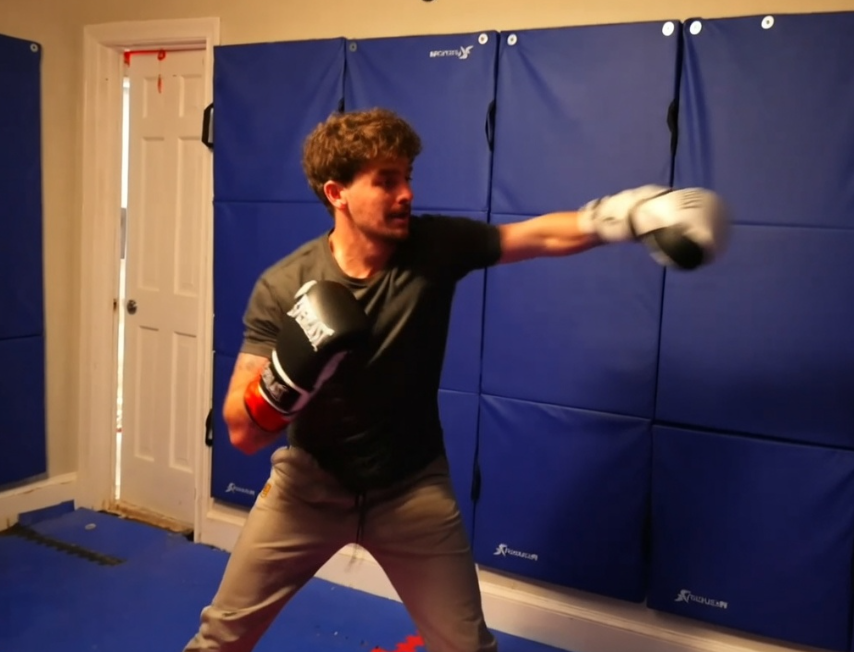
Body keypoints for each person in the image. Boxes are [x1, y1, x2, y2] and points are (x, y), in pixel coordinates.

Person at [182, 107, 729, 652]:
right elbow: (243, 433)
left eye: (407, 178)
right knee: (222, 638)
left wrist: (625, 214)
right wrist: (289, 377)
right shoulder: (284, 287)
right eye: (386, 181)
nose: (406, 194)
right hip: (308, 490)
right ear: (337, 193)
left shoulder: (433, 247)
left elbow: (537, 237)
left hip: (411, 490)